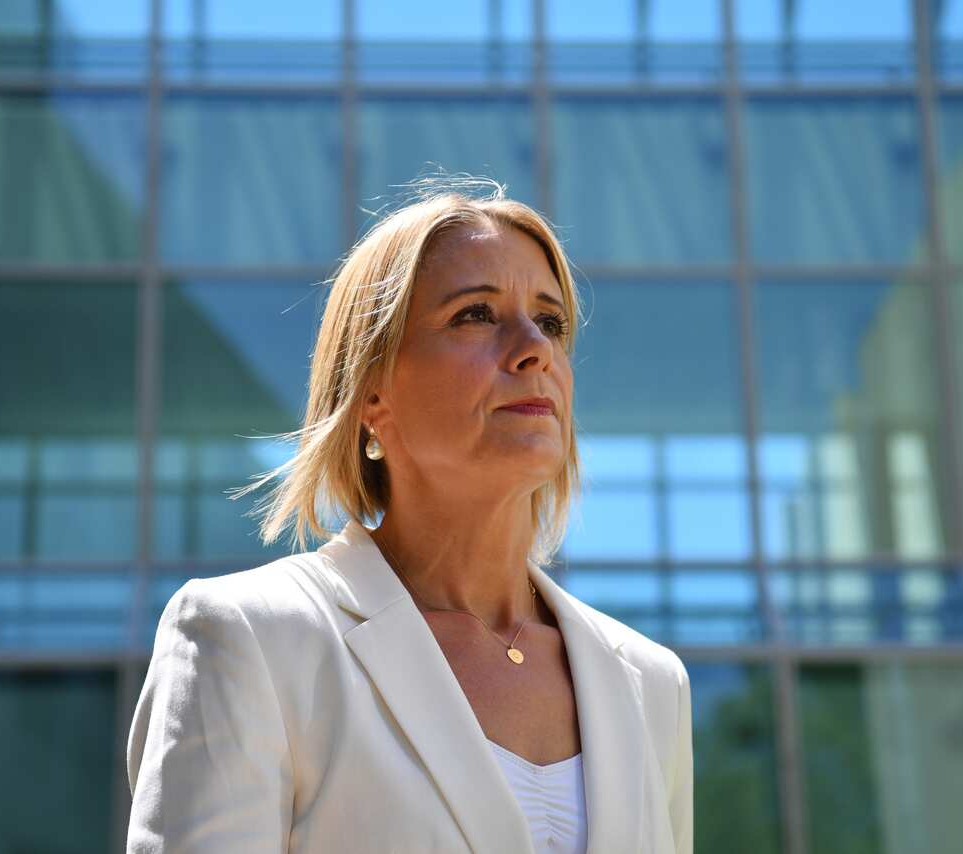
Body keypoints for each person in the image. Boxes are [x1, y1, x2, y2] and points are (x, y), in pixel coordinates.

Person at [125, 175, 694, 853]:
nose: (534, 349)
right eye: (474, 314)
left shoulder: (651, 683)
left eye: (550, 321)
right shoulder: (248, 639)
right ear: (371, 394)